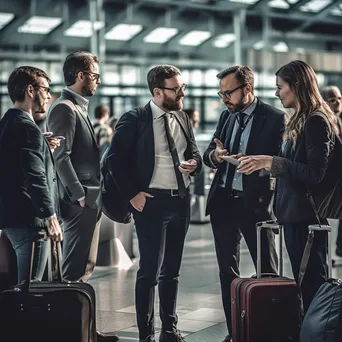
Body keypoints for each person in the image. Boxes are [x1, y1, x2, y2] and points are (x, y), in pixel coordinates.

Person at [108, 64, 202, 342]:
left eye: (183, 87)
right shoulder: (134, 118)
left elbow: (194, 150)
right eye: (177, 89)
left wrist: (195, 164)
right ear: (158, 91)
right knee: (149, 271)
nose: (182, 93)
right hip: (150, 204)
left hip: (180, 202)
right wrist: (132, 194)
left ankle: (169, 330)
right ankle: (146, 334)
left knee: (171, 271)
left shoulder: (183, 117)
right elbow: (114, 159)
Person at [237, 60, 340, 314]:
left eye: (280, 87)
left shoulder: (316, 121)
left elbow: (315, 173)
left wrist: (272, 162)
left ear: (296, 86)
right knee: (307, 287)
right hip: (296, 216)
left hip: (306, 218)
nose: (276, 93)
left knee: (313, 288)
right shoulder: (302, 119)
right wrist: (265, 164)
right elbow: (295, 166)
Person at [203, 65, 284, 342]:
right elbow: (208, 154)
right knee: (228, 271)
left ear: (247, 88)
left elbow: (281, 165)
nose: (223, 99)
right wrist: (215, 155)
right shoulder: (227, 116)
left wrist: (257, 164)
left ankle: (270, 331)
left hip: (257, 205)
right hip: (223, 203)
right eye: (221, 93)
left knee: (268, 270)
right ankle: (235, 332)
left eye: (228, 93)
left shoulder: (275, 118)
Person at [0, 66, 63, 283]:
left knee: (15, 286)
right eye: (45, 89)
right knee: (30, 287)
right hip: (31, 221)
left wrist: (43, 147)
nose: (48, 96)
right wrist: (50, 216)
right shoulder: (28, 129)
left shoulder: (6, 123)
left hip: (9, 217)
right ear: (30, 90)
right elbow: (35, 176)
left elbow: (12, 163)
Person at [47, 51, 102, 283]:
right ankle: (66, 317)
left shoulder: (77, 107)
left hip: (88, 198)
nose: (98, 81)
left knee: (84, 265)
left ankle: (75, 316)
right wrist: (80, 195)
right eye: (95, 76)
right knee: (74, 268)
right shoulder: (65, 108)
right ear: (81, 76)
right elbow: (61, 156)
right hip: (80, 201)